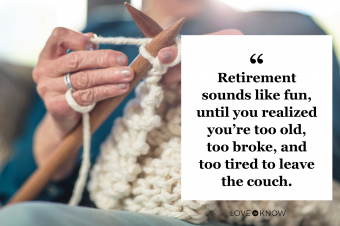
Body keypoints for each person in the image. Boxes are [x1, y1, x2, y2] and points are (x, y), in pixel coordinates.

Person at [0, 0, 339, 225]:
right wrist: (59, 126)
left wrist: (246, 99)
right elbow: (12, 190)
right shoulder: (94, 34)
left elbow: (330, 162)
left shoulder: (287, 27)